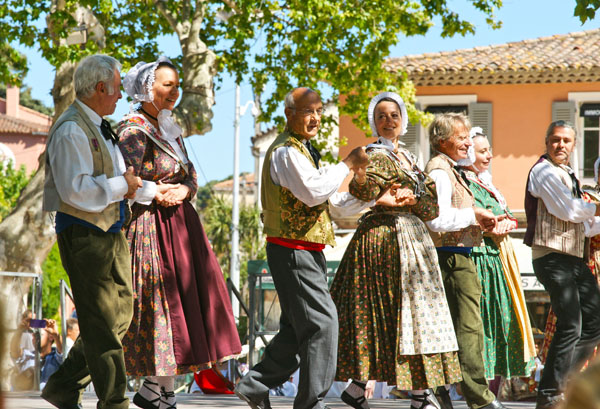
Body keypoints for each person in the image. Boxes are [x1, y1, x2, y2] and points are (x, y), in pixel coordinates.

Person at [117, 56, 242, 409]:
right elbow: (126, 180)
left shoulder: (170, 128)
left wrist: (184, 191)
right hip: (151, 226)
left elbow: (191, 176)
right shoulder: (132, 130)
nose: (175, 91)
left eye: (177, 85)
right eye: (167, 84)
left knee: (184, 306)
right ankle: (155, 388)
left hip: (181, 227)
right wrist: (157, 191)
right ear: (146, 87)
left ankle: (161, 390)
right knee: (163, 303)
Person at [234, 87, 370, 409]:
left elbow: (333, 202)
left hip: (305, 251)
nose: (316, 118)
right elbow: (313, 191)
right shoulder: (286, 152)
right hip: (292, 250)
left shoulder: (305, 152)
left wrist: (373, 199)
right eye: (308, 111)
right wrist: (348, 163)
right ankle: (310, 403)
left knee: (298, 329)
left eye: (319, 111)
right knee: (323, 323)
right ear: (288, 115)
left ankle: (254, 384)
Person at [330, 92, 462, 409]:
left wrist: (413, 199)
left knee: (411, 316)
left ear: (402, 121)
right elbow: (363, 190)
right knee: (390, 315)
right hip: (383, 239)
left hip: (414, 241)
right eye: (381, 116)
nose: (388, 121)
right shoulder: (374, 155)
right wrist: (383, 196)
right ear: (374, 122)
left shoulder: (411, 160)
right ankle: (410, 394)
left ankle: (365, 389)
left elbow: (431, 208)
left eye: (393, 115)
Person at [41, 53, 143, 409]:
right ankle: (114, 401)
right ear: (101, 87)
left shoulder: (98, 125)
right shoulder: (71, 128)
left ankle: (63, 385)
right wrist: (121, 186)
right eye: (116, 89)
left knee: (121, 314)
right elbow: (76, 190)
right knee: (101, 321)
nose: (120, 97)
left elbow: (111, 181)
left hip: (109, 230)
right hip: (84, 232)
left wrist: (129, 187)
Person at [424, 112, 506, 409]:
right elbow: (436, 220)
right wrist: (474, 215)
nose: (468, 142)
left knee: (455, 328)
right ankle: (479, 398)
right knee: (468, 328)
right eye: (461, 137)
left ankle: (438, 391)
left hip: (458, 255)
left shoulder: (450, 168)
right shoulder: (440, 171)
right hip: (451, 257)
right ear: (443, 141)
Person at [524, 120, 600, 409]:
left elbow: (584, 225)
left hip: (573, 259)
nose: (560, 145)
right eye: (555, 139)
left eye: (566, 141)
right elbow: (567, 210)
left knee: (593, 323)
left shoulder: (567, 173)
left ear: (573, 144)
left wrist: (594, 216)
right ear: (546, 141)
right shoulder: (543, 171)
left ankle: (566, 383)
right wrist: (596, 207)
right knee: (570, 324)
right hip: (551, 257)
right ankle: (550, 393)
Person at [459, 128, 536, 380]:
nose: (490, 156)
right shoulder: (463, 184)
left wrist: (506, 224)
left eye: (489, 150)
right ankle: (472, 391)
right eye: (483, 151)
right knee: (482, 324)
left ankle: (488, 392)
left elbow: (511, 217)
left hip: (497, 259)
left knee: (500, 323)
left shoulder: (486, 184)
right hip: (478, 258)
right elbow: (467, 220)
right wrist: (492, 227)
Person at [9, 309, 35, 391]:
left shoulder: (37, 333)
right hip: (22, 365)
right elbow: (16, 351)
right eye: (31, 320)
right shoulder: (23, 334)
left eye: (35, 320)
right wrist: (19, 330)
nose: (33, 322)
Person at [39, 319, 64, 389]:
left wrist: (56, 335)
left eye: (40, 335)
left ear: (51, 337)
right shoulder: (29, 355)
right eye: (34, 335)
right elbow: (15, 352)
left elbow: (62, 351)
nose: (35, 338)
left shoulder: (54, 357)